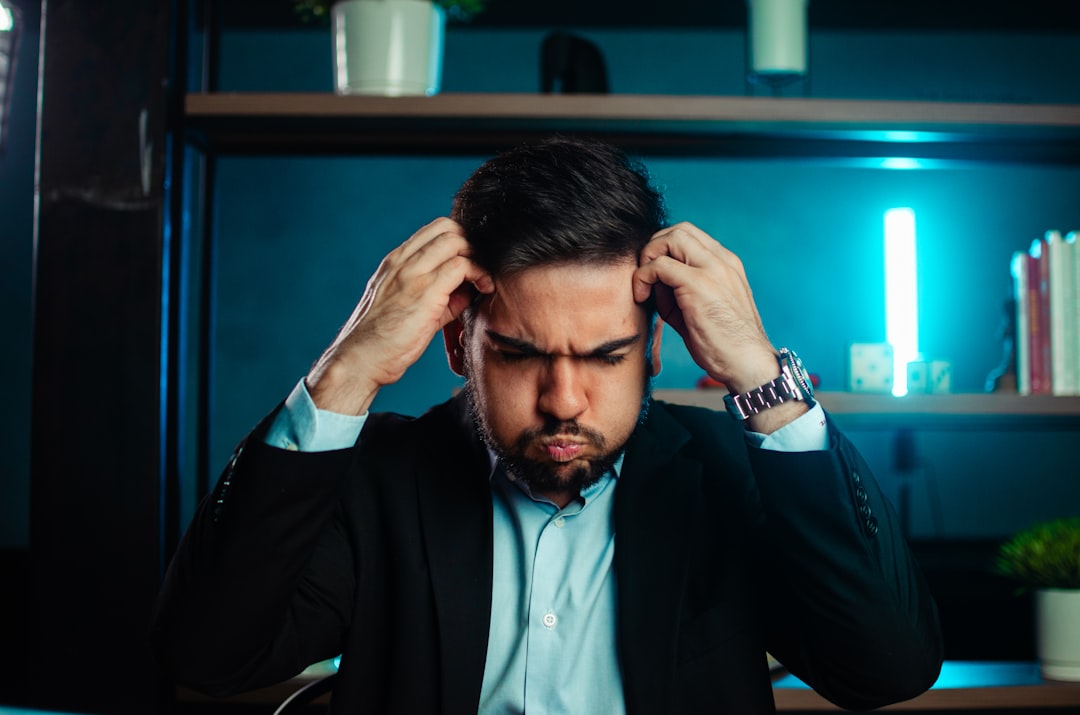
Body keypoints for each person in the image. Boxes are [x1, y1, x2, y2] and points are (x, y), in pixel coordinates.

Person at [152, 136, 943, 714]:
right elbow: (208, 657)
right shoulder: (380, 476)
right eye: (524, 355)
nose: (564, 400)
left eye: (605, 357)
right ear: (460, 344)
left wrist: (765, 379)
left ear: (656, 347)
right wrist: (347, 367)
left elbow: (887, 668)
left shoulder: (726, 473)